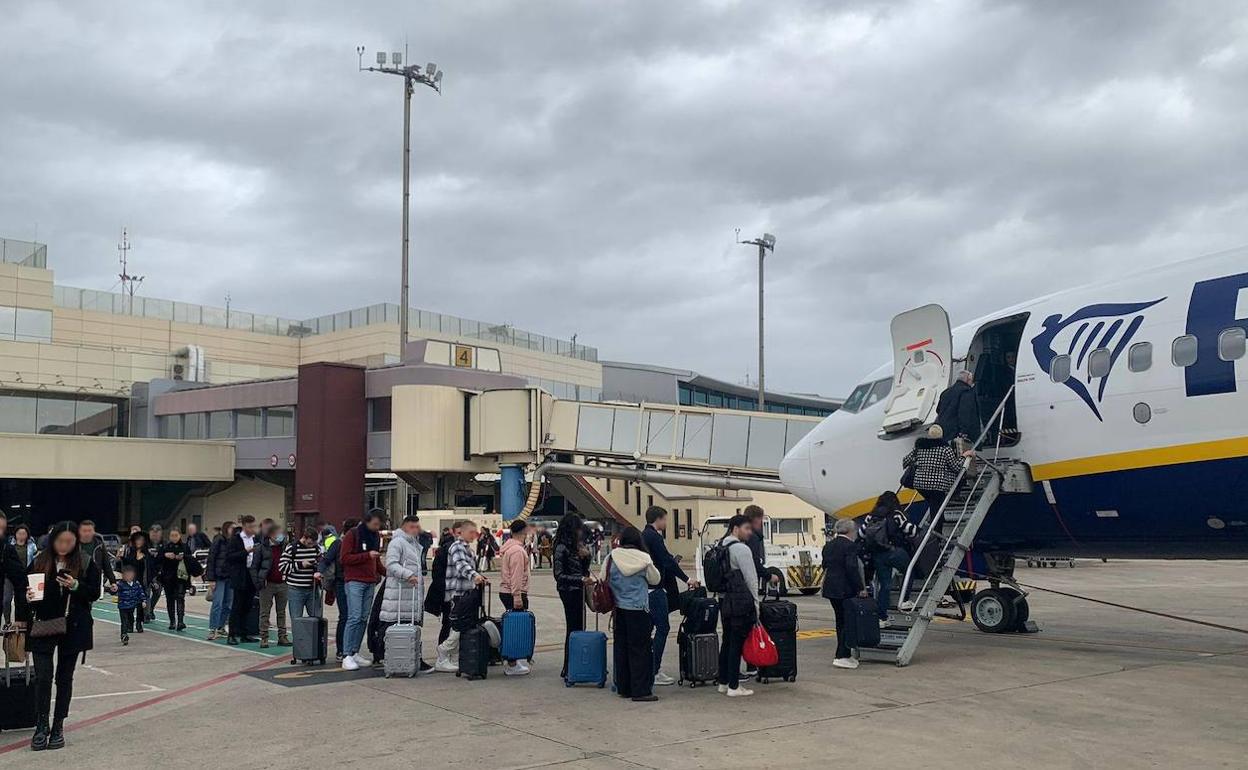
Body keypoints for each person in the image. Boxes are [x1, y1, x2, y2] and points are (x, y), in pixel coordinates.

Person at [23, 520, 101, 751]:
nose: (64, 546)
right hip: (43, 626)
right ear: (52, 540)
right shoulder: (39, 560)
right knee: (43, 678)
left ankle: (58, 726)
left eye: (69, 541)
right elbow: (27, 591)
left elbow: (94, 593)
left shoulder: (86, 562)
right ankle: (41, 725)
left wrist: (76, 585)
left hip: (74, 627)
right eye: (60, 541)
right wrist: (28, 597)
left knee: (64, 678)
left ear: (76, 541)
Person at [641, 506, 698, 687]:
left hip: (648, 589)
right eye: (665, 519)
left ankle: (647, 667)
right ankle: (654, 669)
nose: (666, 523)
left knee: (649, 628)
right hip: (655, 589)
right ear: (658, 519)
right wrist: (687, 578)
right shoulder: (654, 537)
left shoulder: (645, 535)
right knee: (663, 628)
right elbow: (665, 560)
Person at [603, 526, 661, 702]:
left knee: (622, 648)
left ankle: (624, 687)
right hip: (638, 610)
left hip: (619, 609)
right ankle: (641, 690)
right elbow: (655, 579)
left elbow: (602, 578)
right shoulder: (644, 558)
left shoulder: (611, 557)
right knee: (640, 650)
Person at [714, 514, 759, 697]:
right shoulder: (741, 549)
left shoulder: (720, 545)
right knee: (737, 642)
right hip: (740, 600)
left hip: (724, 599)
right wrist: (756, 603)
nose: (749, 532)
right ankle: (734, 685)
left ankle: (723, 682)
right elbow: (751, 578)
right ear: (735, 528)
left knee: (727, 640)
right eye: (746, 528)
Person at [433, 520, 487, 672]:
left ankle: (450, 656)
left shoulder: (468, 549)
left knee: (462, 627)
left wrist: (479, 576)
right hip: (458, 594)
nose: (473, 535)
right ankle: (443, 652)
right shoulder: (457, 546)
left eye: (474, 532)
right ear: (461, 532)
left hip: (467, 593)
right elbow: (462, 566)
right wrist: (475, 576)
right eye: (471, 532)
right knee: (458, 627)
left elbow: (468, 567)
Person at [375, 514, 428, 669]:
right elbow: (391, 564)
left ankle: (412, 657)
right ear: (405, 526)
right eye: (413, 527)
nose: (417, 530)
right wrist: (407, 575)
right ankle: (391, 657)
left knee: (410, 628)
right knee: (394, 627)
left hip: (409, 596)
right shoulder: (397, 543)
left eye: (418, 527)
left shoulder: (413, 544)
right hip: (398, 595)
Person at [857, 492, 918, 623]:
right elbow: (910, 530)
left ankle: (881, 617)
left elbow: (861, 534)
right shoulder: (896, 514)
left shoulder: (871, 516)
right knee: (909, 570)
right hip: (893, 551)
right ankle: (904, 600)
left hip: (877, 555)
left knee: (885, 585)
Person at [339, 511, 385, 671]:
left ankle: (355, 651)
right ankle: (346, 655)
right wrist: (366, 556)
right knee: (354, 616)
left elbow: (376, 560)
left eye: (379, 525)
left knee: (363, 618)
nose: (377, 527)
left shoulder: (376, 536)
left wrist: (387, 572)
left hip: (369, 581)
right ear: (367, 521)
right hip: (354, 581)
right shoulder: (353, 535)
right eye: (375, 524)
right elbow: (344, 558)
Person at [821, 518, 867, 669]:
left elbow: (825, 565)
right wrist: (860, 587)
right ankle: (842, 655)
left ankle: (843, 653)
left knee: (840, 621)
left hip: (831, 588)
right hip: (845, 589)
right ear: (850, 531)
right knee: (847, 622)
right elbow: (852, 567)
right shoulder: (850, 546)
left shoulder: (829, 545)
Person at [552, 512, 591, 679]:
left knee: (579, 627)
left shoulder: (575, 547)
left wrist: (586, 557)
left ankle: (574, 665)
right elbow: (558, 575)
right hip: (569, 591)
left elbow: (583, 570)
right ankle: (569, 666)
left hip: (578, 590)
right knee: (573, 628)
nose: (580, 533)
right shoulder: (561, 548)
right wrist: (580, 579)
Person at [903, 424, 967, 514]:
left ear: (929, 434)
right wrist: (963, 457)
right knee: (937, 509)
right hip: (937, 486)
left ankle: (936, 523)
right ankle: (936, 527)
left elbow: (905, 461)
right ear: (941, 435)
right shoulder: (945, 449)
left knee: (935, 506)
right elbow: (956, 467)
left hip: (920, 484)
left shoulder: (920, 447)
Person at [317, 517, 356, 660]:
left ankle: (351, 649)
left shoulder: (355, 543)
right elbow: (326, 559)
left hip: (355, 582)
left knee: (355, 617)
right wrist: (319, 571)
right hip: (342, 582)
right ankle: (342, 650)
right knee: (345, 616)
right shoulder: (338, 543)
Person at [498, 519, 532, 675]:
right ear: (524, 531)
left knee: (512, 626)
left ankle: (512, 660)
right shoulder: (517, 551)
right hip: (514, 592)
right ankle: (512, 663)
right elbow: (516, 575)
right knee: (516, 629)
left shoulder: (508, 548)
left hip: (506, 591)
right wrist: (517, 596)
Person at [225, 515, 261, 645]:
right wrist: (245, 551)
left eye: (254, 526)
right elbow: (230, 557)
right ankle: (232, 634)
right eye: (250, 526)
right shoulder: (236, 539)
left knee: (247, 605)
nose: (252, 529)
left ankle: (244, 633)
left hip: (252, 574)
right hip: (240, 574)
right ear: (245, 526)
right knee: (237, 605)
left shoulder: (256, 539)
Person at [257, 523, 290, 648]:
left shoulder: (285, 548)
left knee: (281, 612)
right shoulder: (261, 548)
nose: (280, 536)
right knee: (265, 612)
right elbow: (255, 567)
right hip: (267, 584)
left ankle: (282, 636)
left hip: (282, 583)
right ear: (271, 535)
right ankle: (264, 637)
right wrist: (259, 581)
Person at [157, 527, 195, 631]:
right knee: (170, 600)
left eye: (176, 535)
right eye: (172, 535)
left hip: (181, 577)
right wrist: (165, 555)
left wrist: (183, 557)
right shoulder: (165, 547)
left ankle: (181, 621)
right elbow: (158, 560)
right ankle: (172, 621)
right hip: (168, 577)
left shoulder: (184, 547)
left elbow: (191, 560)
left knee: (180, 598)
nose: (174, 538)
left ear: (179, 536)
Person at [280, 527, 321, 621]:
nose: (311, 546)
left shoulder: (316, 548)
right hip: (295, 589)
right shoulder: (292, 548)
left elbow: (321, 562)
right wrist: (300, 564)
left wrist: (317, 568)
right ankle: (298, 636)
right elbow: (282, 567)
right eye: (309, 543)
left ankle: (314, 636)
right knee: (296, 619)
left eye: (313, 543)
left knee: (317, 619)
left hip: (312, 589)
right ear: (304, 538)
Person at [936, 370, 981, 453]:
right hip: (957, 433)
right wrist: (964, 432)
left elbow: (938, 410)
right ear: (968, 380)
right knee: (963, 459)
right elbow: (965, 414)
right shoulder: (966, 392)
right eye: (971, 381)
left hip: (944, 432)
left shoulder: (945, 393)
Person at [206, 521, 235, 640]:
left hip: (230, 576)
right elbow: (211, 559)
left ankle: (221, 626)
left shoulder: (234, 542)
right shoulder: (218, 540)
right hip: (219, 577)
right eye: (232, 528)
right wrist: (211, 578)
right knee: (217, 603)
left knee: (228, 604)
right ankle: (212, 629)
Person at [0, 515, 29, 629]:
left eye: (3, 529)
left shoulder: (6, 549)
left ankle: (7, 622)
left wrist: (20, 617)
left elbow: (20, 582)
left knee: (6, 599)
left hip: (8, 578)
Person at [77, 519, 117, 591]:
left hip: (95, 580)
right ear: (79, 531)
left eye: (89, 531)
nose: (87, 533)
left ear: (94, 531)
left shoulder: (100, 545)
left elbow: (106, 564)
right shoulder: (74, 545)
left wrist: (113, 582)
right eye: (84, 531)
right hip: (77, 579)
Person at [116, 563, 147, 644]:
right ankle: (124, 635)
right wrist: (112, 589)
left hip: (132, 605)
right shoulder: (120, 584)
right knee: (124, 621)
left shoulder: (136, 584)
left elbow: (141, 593)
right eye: (126, 574)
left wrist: (143, 601)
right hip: (122, 606)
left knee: (131, 618)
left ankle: (130, 627)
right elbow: (114, 590)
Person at [144, 524, 165, 623]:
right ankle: (146, 614)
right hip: (146, 572)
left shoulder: (164, 544)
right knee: (146, 593)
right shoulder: (145, 544)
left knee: (157, 592)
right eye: (153, 532)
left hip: (158, 573)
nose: (155, 534)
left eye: (157, 532)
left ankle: (151, 608)